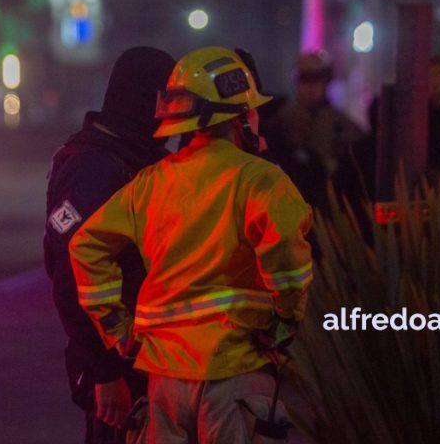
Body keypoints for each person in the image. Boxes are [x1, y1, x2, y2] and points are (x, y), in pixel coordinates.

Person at [69, 46, 313, 443]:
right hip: (235, 371)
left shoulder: (150, 182)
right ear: (241, 119)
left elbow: (85, 247)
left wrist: (116, 327)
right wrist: (286, 317)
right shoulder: (261, 180)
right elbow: (288, 255)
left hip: (162, 381)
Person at [43, 46, 176, 444]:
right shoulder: (95, 168)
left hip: (142, 361)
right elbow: (71, 280)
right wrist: (105, 374)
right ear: (146, 101)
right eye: (168, 100)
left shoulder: (135, 159)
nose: (175, 114)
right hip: (117, 369)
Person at [268, 51, 363, 208]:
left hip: (327, 201)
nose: (311, 86)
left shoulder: (340, 123)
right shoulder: (282, 118)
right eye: (305, 79)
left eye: (317, 79)